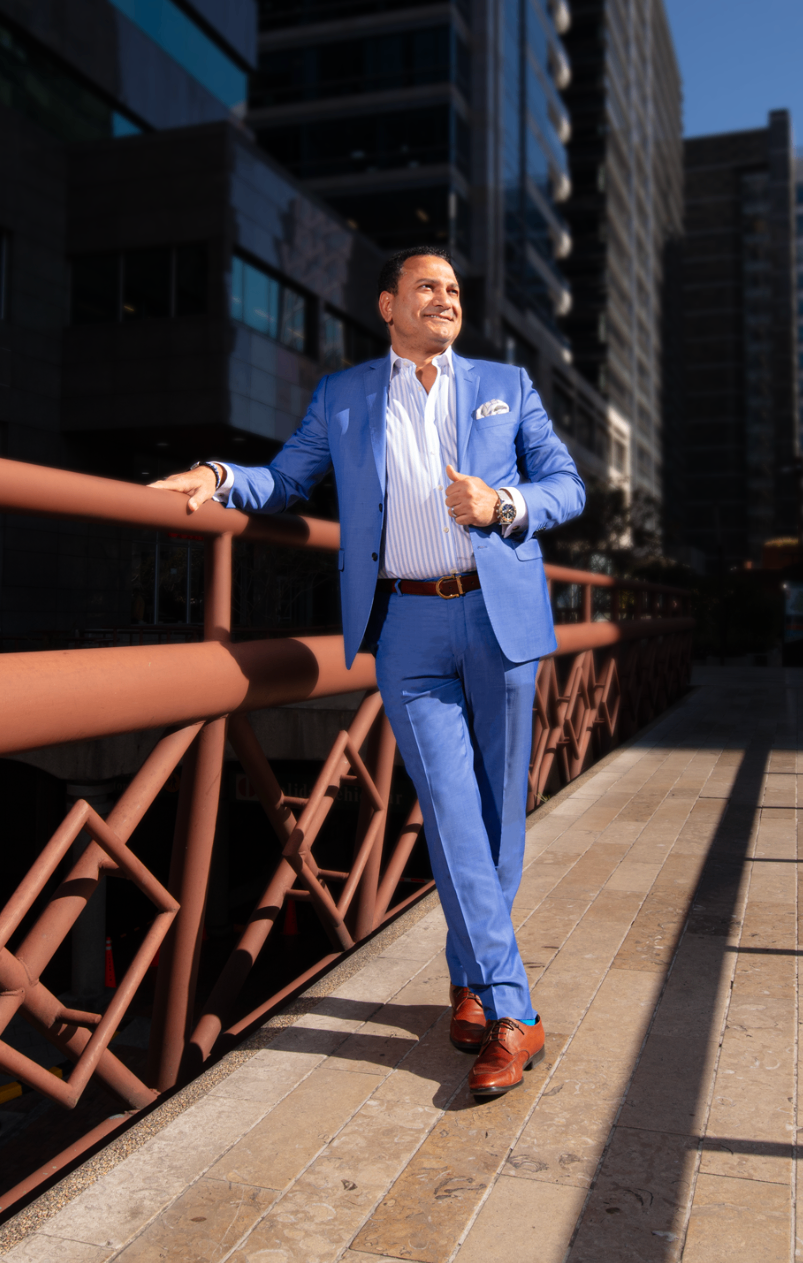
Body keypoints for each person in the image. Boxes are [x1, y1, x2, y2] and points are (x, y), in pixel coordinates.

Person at [150, 247, 585, 1099]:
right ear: (388, 305)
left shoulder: (508, 383)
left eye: (457, 288)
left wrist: (505, 507)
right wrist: (216, 476)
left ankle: (468, 981)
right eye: (429, 286)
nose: (447, 298)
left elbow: (566, 485)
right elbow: (283, 481)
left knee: (499, 824)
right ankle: (514, 1011)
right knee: (456, 817)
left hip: (499, 617)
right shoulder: (344, 396)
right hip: (407, 629)